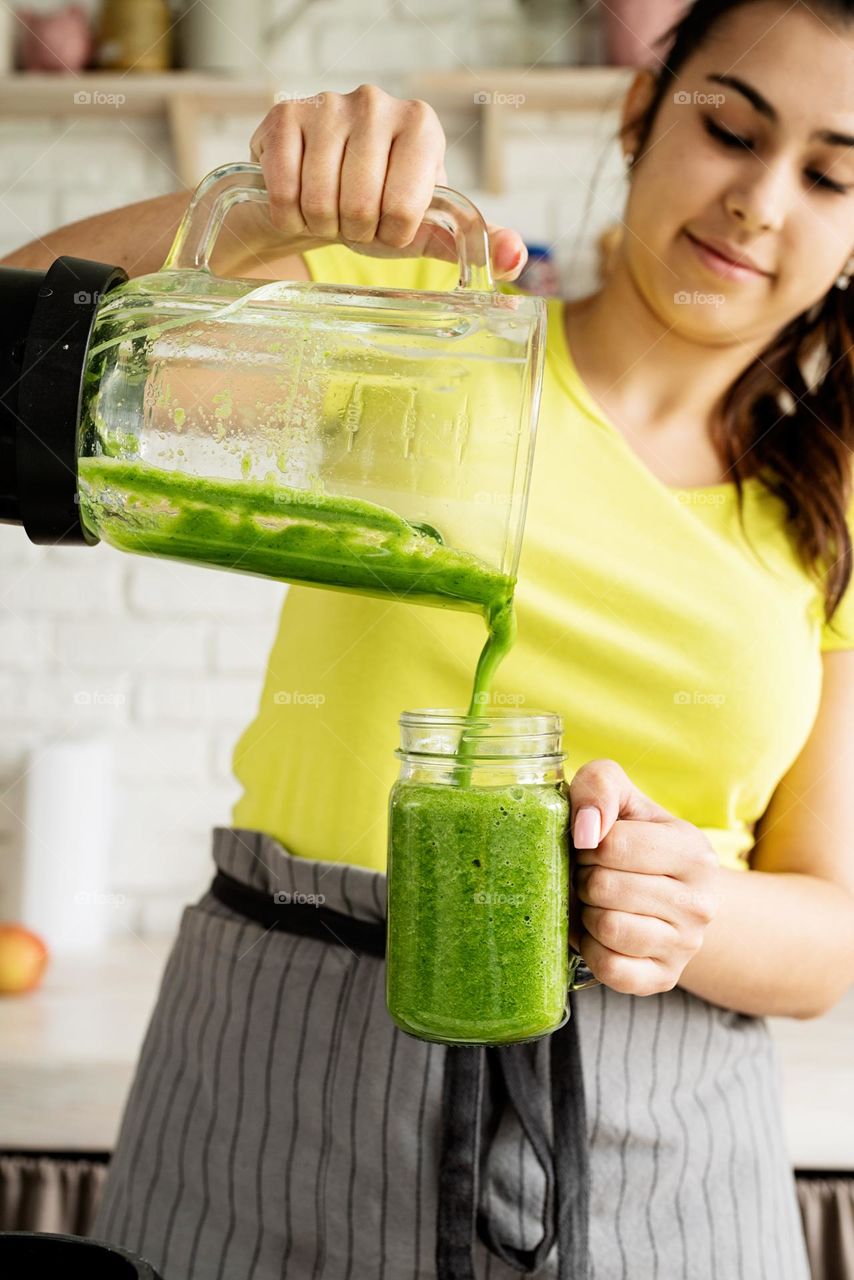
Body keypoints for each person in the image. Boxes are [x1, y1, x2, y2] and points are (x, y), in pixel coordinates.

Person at [6, 1, 854, 1275]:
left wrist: (696, 906)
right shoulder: (411, 321)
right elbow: (18, 364)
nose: (758, 201)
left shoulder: (833, 512)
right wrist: (268, 213)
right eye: (728, 129)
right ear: (637, 115)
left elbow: (827, 926)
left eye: (830, 173)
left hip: (651, 1142)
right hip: (277, 1081)